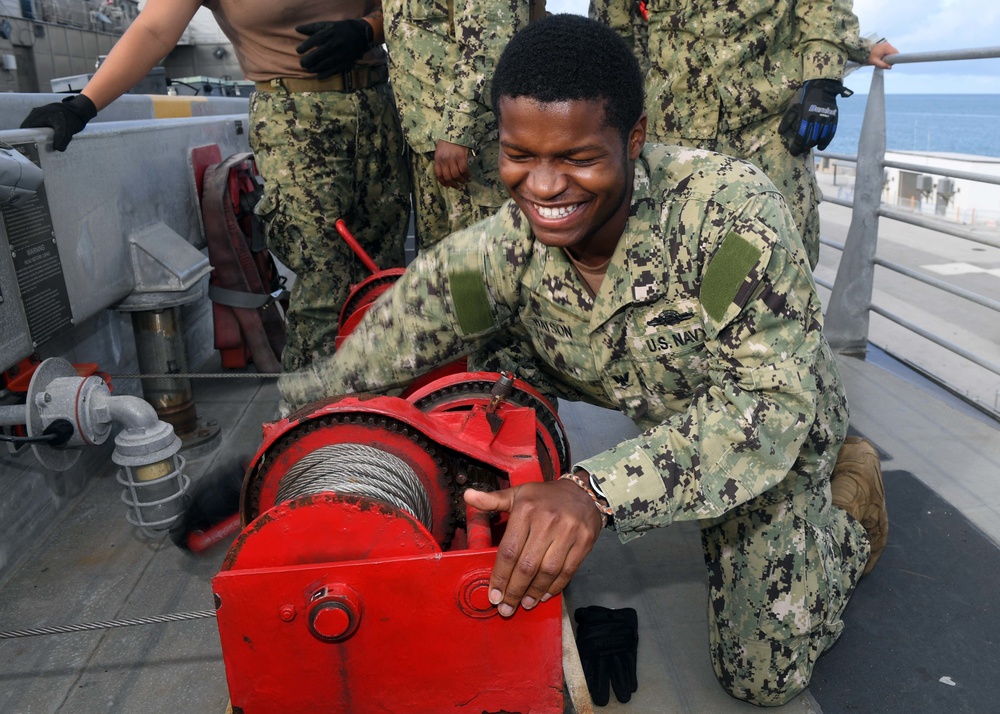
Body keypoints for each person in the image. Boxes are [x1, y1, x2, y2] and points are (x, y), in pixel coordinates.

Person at [279, 14, 888, 706]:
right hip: (645, 396)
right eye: (519, 155)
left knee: (762, 673)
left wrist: (594, 492)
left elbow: (768, 409)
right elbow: (400, 328)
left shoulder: (725, 220)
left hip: (768, 425)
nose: (542, 187)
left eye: (577, 158)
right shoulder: (506, 245)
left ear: (633, 138)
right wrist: (290, 418)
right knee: (476, 351)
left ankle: (848, 511)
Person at [20, 0, 411, 372]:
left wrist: (366, 29)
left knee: (383, 270)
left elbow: (404, 9)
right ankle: (312, 422)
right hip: (296, 120)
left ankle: (388, 407)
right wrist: (83, 105)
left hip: (379, 106)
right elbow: (155, 31)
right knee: (324, 276)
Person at [590, 0, 898, 269]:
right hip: (674, 135)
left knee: (773, 265)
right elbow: (615, 31)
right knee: (681, 269)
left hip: (768, 128)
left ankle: (749, 329)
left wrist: (824, 77)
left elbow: (821, 6)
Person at [380, 0, 544, 249]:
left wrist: (458, 131)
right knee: (442, 272)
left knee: (486, 267)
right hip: (428, 146)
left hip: (476, 151)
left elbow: (491, 48)